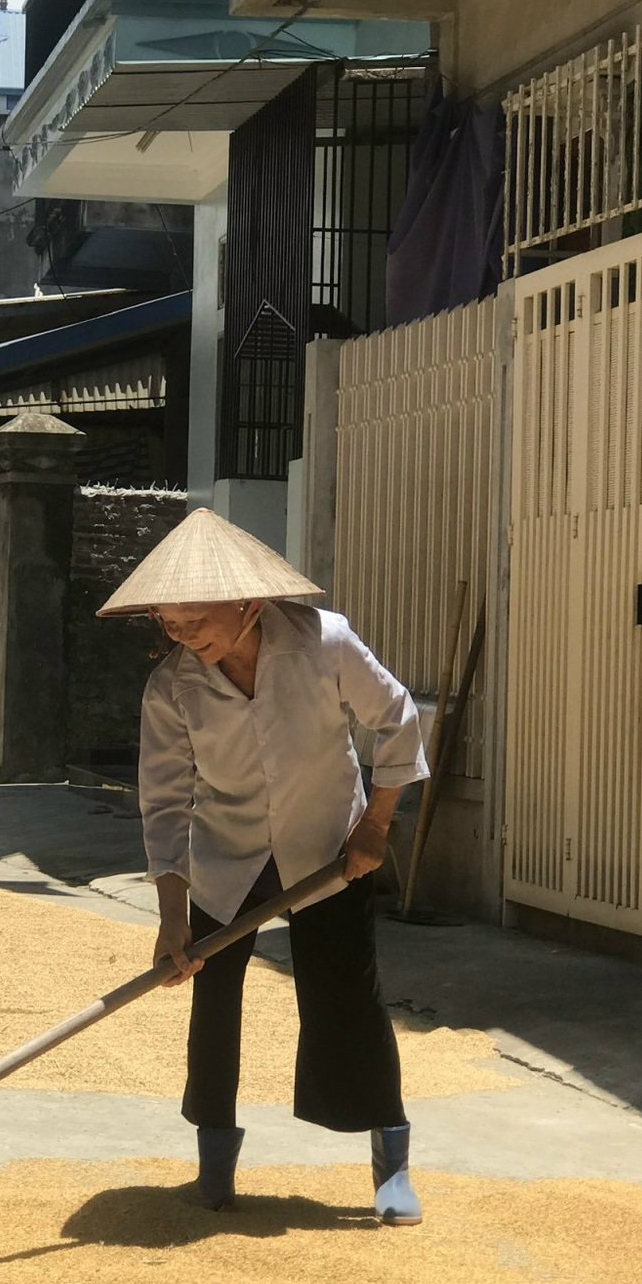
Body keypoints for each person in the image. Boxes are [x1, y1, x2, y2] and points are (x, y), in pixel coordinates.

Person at [98, 509, 428, 1223]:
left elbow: (398, 719)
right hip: (227, 855)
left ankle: (392, 1165)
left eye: (193, 619)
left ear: (247, 603)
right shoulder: (172, 689)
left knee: (347, 997)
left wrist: (376, 824)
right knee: (213, 1002)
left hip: (328, 847)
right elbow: (165, 805)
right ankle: (215, 1162)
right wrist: (172, 920)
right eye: (168, 622)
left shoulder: (324, 644)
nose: (180, 635)